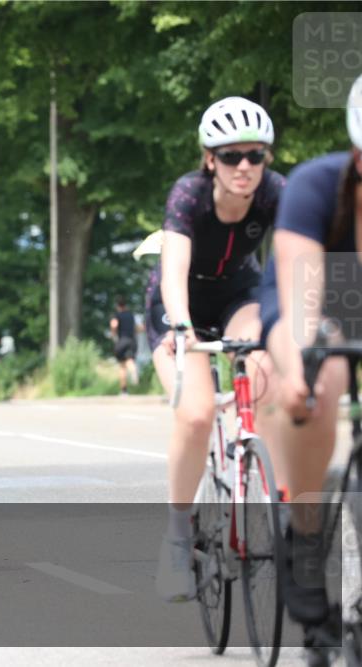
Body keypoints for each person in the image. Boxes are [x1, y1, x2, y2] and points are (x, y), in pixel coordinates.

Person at [150, 96, 285, 602]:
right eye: (231, 156)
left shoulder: (276, 192)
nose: (244, 166)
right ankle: (177, 539)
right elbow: (173, 271)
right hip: (181, 303)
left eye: (255, 155)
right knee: (195, 414)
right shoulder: (189, 194)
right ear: (211, 159)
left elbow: (299, 261)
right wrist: (182, 326)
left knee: (269, 365)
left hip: (238, 294)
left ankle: (267, 485)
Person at [258, 75, 362, 655]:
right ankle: (303, 533)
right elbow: (303, 303)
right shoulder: (314, 186)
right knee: (321, 375)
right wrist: (300, 369)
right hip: (311, 301)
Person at [110, 295, 142, 395]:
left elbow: (114, 325)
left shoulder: (117, 315)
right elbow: (138, 328)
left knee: (122, 366)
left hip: (122, 341)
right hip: (132, 341)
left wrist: (113, 334)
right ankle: (133, 371)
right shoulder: (131, 315)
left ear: (117, 306)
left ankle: (123, 391)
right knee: (130, 360)